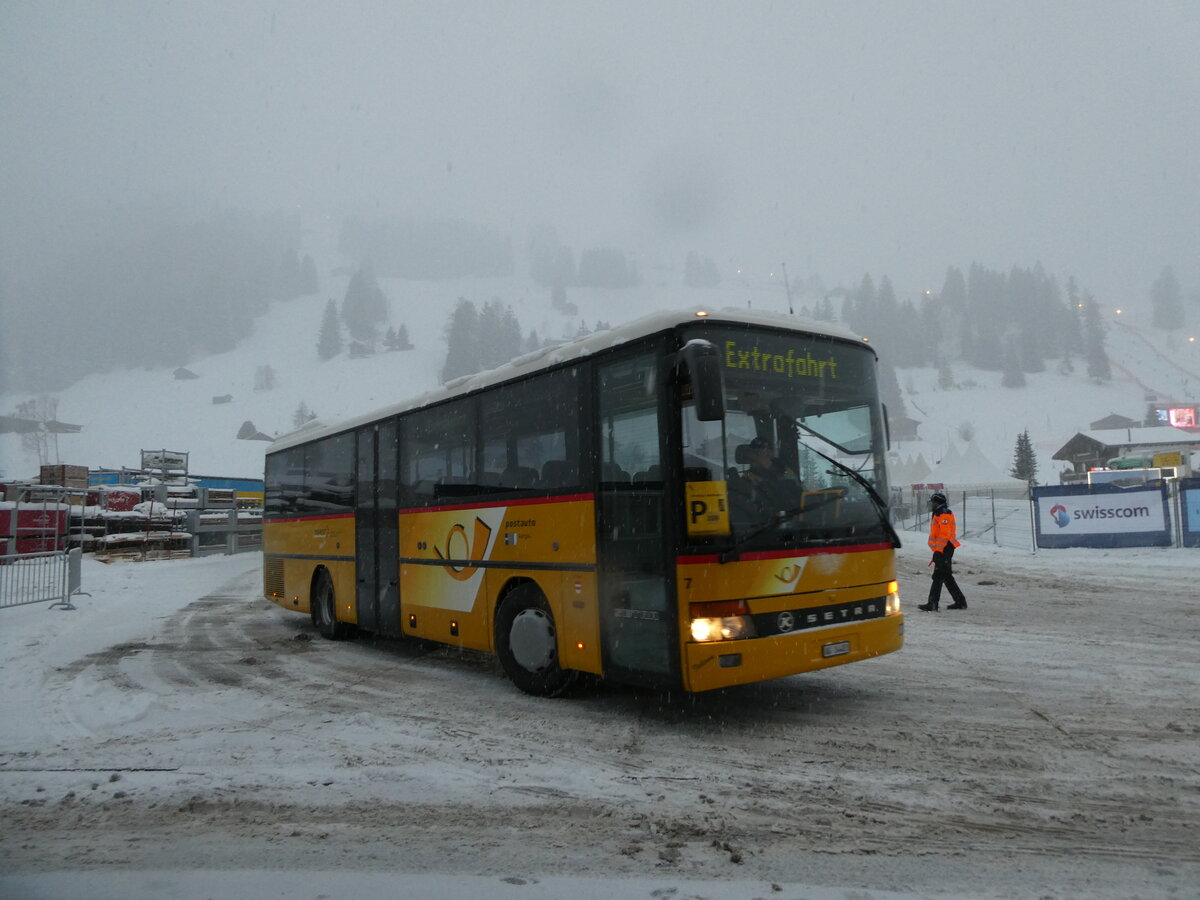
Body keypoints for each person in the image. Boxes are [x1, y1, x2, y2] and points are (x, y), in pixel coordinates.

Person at [918, 491, 968, 611]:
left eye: (933, 502)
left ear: (937, 502)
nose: (931, 504)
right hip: (944, 548)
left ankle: (933, 603)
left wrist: (939, 550)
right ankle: (960, 601)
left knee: (938, 576)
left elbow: (944, 534)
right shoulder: (939, 513)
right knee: (946, 576)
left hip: (945, 548)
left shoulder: (943, 514)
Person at [741, 437, 802, 515]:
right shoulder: (747, 479)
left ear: (771, 453)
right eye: (756, 453)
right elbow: (747, 509)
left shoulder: (787, 472)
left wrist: (770, 470)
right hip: (764, 524)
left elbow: (801, 497)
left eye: (765, 451)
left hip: (794, 519)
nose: (761, 455)